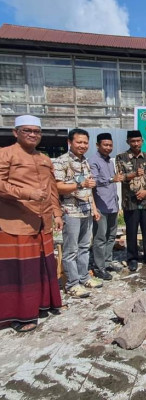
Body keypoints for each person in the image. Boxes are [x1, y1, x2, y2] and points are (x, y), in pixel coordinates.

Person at [0, 115, 63, 332]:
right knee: (20, 271)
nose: (33, 135)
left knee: (43, 267)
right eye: (27, 130)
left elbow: (52, 189)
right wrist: (27, 193)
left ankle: (43, 304)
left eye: (36, 131)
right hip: (16, 221)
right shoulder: (5, 154)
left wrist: (57, 214)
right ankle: (20, 315)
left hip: (42, 221)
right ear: (15, 132)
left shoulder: (44, 159)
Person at [54, 128, 102, 298]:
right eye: (79, 142)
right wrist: (79, 186)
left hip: (86, 210)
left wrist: (94, 209)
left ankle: (84, 277)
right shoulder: (61, 161)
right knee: (71, 250)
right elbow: (58, 186)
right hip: (71, 211)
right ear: (69, 142)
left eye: (85, 142)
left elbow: (89, 188)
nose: (82, 145)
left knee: (83, 247)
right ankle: (72, 284)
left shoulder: (85, 162)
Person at [115, 130, 146, 271]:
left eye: (138, 141)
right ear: (128, 142)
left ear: (142, 141)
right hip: (131, 201)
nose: (136, 143)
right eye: (132, 141)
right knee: (131, 231)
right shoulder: (121, 158)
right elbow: (121, 177)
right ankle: (132, 258)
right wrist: (133, 175)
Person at [89, 133, 124, 280]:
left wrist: (117, 203)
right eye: (105, 145)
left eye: (110, 145)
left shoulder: (110, 161)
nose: (108, 148)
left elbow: (113, 185)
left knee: (111, 236)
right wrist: (111, 179)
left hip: (112, 206)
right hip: (101, 207)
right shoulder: (93, 161)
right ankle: (98, 267)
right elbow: (94, 182)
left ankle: (107, 262)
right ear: (98, 145)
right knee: (100, 238)